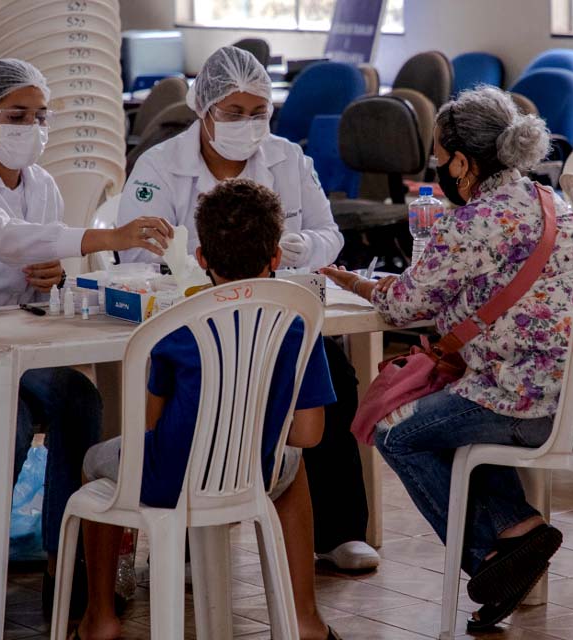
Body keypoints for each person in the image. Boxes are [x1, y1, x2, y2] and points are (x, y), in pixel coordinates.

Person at [322, 87, 573, 631]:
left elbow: (405, 305)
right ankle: (518, 528)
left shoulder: (473, 221)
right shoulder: (547, 198)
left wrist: (357, 282)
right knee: (449, 417)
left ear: (463, 162)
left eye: (440, 159)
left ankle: (489, 560)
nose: (438, 169)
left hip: (533, 399)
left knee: (395, 430)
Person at [0, 59, 173, 627]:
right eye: (16, 115)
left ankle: (69, 563)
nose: (31, 128)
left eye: (40, 116)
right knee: (4, 418)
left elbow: (34, 264)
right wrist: (105, 236)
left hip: (13, 347)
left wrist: (56, 277)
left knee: (80, 398)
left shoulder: (43, 186)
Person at [119, 46, 379, 570]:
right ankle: (190, 542)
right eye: (233, 113)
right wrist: (192, 268)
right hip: (193, 325)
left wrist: (299, 246)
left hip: (277, 319)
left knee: (338, 379)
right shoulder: (160, 166)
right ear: (203, 109)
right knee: (195, 392)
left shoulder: (288, 158)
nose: (248, 123)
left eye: (258, 111)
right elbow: (133, 252)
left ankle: (338, 532)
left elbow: (330, 234)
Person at [78, 178, 341, 640]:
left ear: (200, 259)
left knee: (94, 464)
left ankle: (101, 616)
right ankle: (305, 618)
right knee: (293, 469)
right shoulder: (298, 322)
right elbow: (309, 434)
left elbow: (153, 425)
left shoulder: (176, 326)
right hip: (251, 477)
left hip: (168, 480)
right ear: (276, 257)